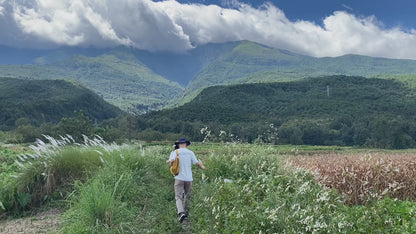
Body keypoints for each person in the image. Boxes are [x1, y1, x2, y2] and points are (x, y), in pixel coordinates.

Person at [166, 137, 205, 223]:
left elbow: (171, 163)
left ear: (179, 144)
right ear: (186, 144)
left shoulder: (175, 152)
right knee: (187, 196)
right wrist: (202, 167)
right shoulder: (190, 152)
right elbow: (197, 163)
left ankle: (181, 213)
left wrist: (170, 163)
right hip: (189, 178)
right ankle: (186, 214)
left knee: (178, 197)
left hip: (179, 178)